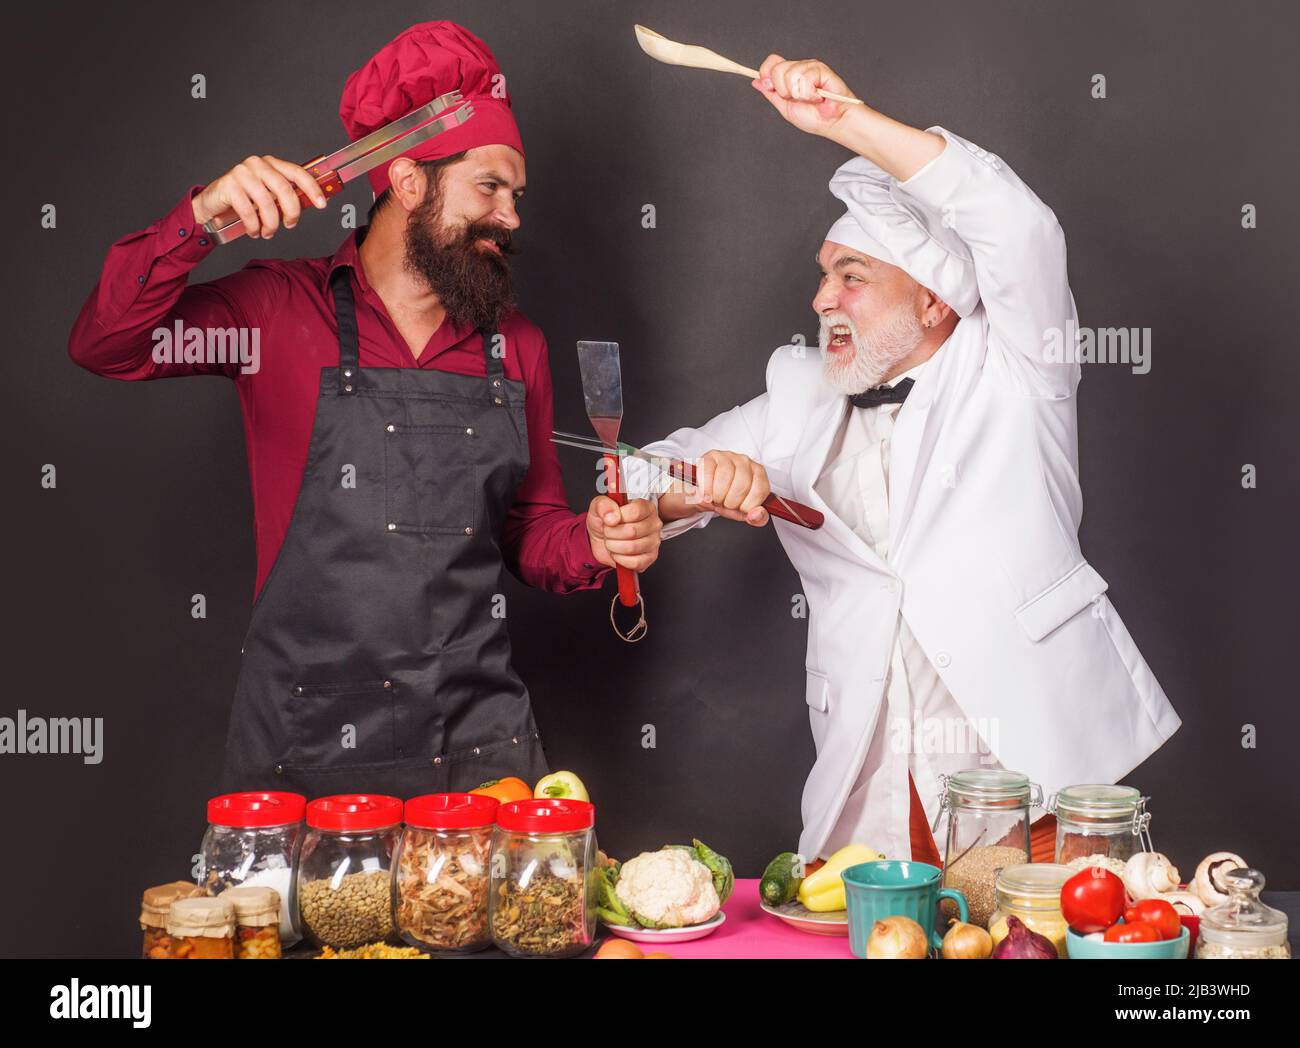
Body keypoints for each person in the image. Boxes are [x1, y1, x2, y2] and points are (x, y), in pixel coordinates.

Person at [67, 21, 663, 798]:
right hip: (307, 747)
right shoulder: (276, 313)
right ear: (409, 180)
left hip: (481, 749)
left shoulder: (515, 344)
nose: (512, 217)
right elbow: (107, 344)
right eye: (489, 186)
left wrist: (591, 540)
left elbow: (528, 532)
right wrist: (201, 218)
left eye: (516, 195)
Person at [646, 55, 1180, 865]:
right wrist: (687, 492)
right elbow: (642, 471)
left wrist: (842, 119)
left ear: (933, 300)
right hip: (868, 798)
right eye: (823, 276)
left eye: (851, 276)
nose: (822, 299)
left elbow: (1019, 227)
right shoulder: (796, 396)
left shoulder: (1020, 370)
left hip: (1028, 796)